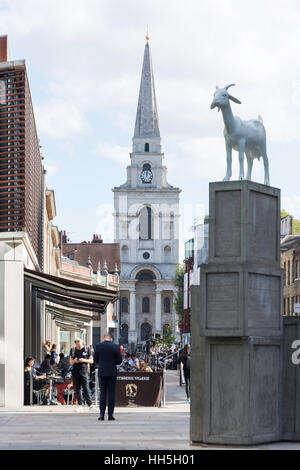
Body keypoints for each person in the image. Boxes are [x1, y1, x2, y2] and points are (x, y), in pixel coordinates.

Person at [94, 333, 122, 421]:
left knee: (102, 393)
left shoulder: (98, 346)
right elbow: (119, 361)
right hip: (112, 372)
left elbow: (95, 360)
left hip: (102, 372)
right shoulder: (116, 346)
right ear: (111, 338)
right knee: (111, 394)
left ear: (104, 338)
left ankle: (101, 415)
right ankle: (110, 415)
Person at [70, 338, 94, 412]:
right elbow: (70, 363)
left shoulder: (87, 349)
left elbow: (91, 361)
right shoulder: (73, 350)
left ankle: (90, 405)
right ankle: (80, 405)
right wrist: (75, 361)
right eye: (76, 344)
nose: (78, 345)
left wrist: (83, 360)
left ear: (82, 342)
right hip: (75, 372)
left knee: (86, 388)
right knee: (77, 388)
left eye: (79, 344)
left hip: (84, 371)